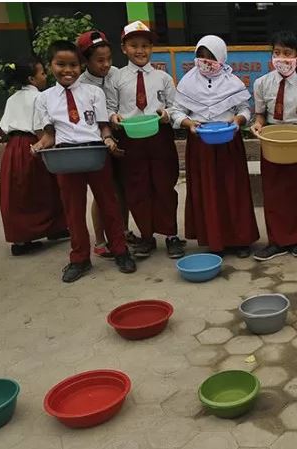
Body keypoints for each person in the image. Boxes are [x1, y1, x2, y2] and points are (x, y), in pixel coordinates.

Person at [32, 40, 136, 282]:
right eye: (61, 64)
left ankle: (120, 250)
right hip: (65, 157)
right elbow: (48, 134)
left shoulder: (93, 93)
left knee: (109, 205)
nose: (68, 70)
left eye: (73, 65)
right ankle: (79, 258)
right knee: (73, 211)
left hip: (95, 154)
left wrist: (109, 141)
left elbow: (103, 128)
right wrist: (38, 146)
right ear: (50, 66)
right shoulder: (44, 98)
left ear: (81, 66)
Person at [169, 35, 259, 257]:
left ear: (222, 57)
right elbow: (176, 111)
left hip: (229, 143)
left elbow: (245, 110)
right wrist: (189, 123)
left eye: (211, 57)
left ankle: (240, 240)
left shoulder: (233, 83)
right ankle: (214, 240)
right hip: (201, 143)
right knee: (207, 191)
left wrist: (237, 121)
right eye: (201, 56)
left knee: (233, 190)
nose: (206, 62)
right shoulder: (187, 82)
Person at [107, 21, 185, 259]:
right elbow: (110, 107)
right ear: (123, 48)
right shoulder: (117, 78)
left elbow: (175, 105)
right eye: (134, 45)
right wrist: (114, 117)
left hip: (159, 136)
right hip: (130, 138)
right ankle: (146, 235)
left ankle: (171, 235)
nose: (140, 51)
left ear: (152, 48)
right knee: (136, 187)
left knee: (164, 185)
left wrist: (167, 114)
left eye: (145, 45)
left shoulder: (162, 77)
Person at [250, 31, 297, 261]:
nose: (281, 58)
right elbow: (260, 116)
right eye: (277, 53)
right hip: (272, 138)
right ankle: (276, 241)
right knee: (274, 191)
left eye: (287, 53)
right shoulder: (261, 83)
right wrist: (257, 126)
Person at [76, 30, 141, 258]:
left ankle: (122, 231)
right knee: (103, 191)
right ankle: (101, 239)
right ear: (86, 60)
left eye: (109, 59)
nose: (105, 65)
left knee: (122, 187)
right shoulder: (80, 83)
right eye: (99, 60)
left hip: (121, 136)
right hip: (97, 141)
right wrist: (105, 136)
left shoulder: (117, 74)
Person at [0, 58, 67, 256]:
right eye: (42, 74)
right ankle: (55, 228)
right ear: (31, 78)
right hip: (33, 145)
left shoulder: (12, 99)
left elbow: (4, 127)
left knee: (18, 192)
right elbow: (41, 128)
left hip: (13, 148)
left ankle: (21, 238)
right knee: (47, 188)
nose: (45, 77)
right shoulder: (40, 98)